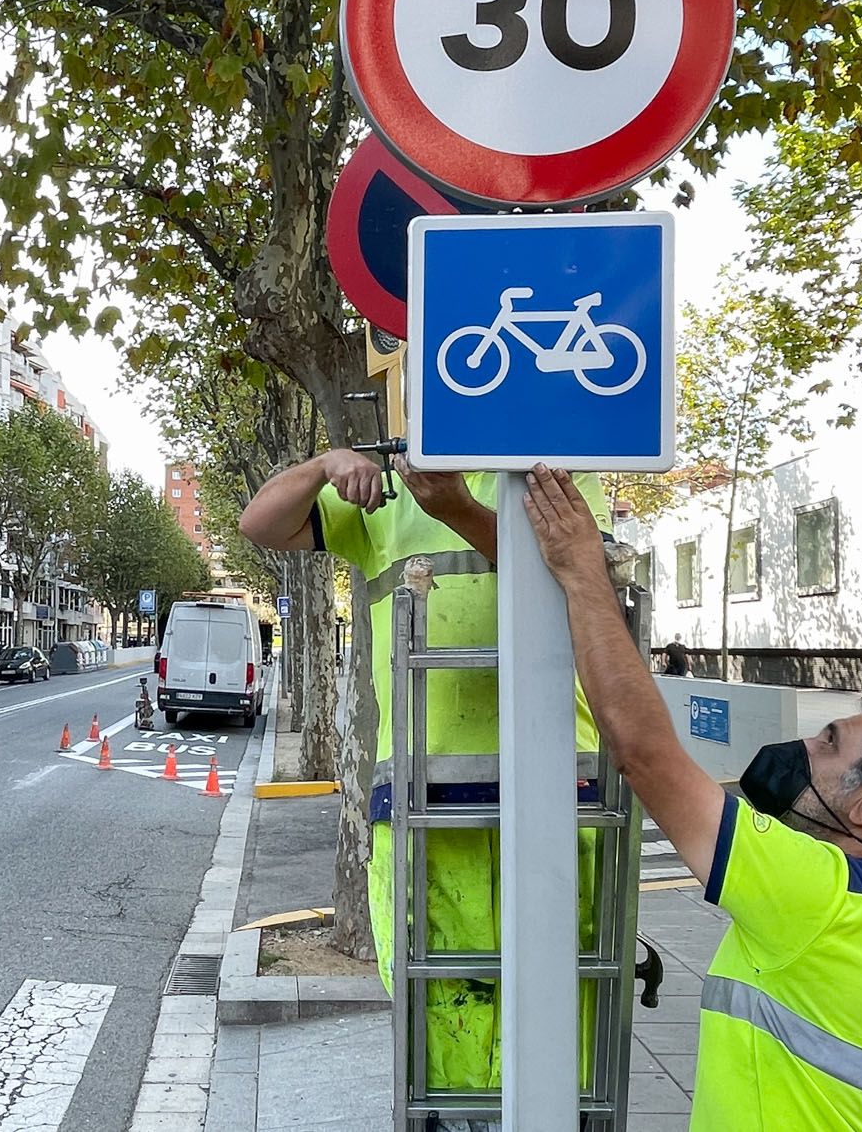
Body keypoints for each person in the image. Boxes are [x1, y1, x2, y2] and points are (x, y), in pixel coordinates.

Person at [521, 465, 862, 1130]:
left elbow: (645, 754)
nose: (802, 747)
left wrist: (581, 574)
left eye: (828, 744)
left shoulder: (822, 901)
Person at [240, 448, 614, 1093]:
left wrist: (459, 510)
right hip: (421, 783)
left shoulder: (556, 474)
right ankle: (452, 1112)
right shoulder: (387, 491)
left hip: (556, 776)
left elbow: (583, 574)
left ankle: (558, 1110)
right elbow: (260, 524)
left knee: (562, 978)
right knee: (440, 989)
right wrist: (323, 465)